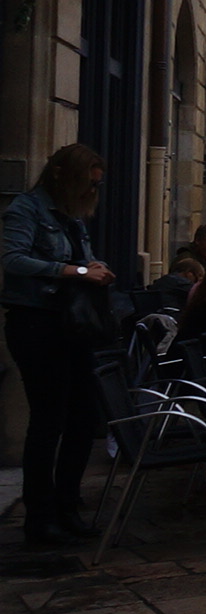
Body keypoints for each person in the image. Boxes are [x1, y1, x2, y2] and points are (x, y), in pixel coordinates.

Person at [2, 144, 114, 543]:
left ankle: (68, 504)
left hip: (71, 326)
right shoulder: (26, 209)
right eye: (88, 184)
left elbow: (82, 257)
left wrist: (95, 265)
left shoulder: (72, 218)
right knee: (47, 421)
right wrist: (76, 270)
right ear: (65, 177)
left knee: (83, 417)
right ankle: (40, 515)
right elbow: (11, 259)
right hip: (37, 323)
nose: (91, 194)